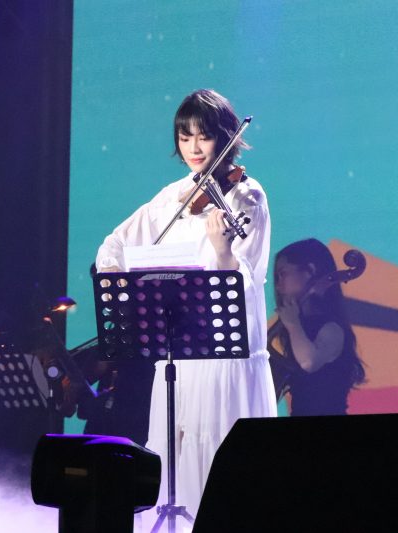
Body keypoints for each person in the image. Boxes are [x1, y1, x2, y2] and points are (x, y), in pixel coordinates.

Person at [95, 89, 277, 519]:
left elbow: (247, 280)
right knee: (174, 447)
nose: (194, 147)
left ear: (225, 137)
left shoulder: (247, 197)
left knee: (220, 453)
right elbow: (114, 244)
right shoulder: (174, 195)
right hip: (179, 353)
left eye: (204, 136)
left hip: (224, 358)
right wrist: (120, 285)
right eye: (185, 137)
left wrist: (223, 249)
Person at [268, 239, 366, 416]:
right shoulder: (299, 325)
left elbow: (309, 362)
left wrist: (293, 324)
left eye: (283, 274)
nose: (278, 285)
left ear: (310, 271)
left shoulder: (332, 327)